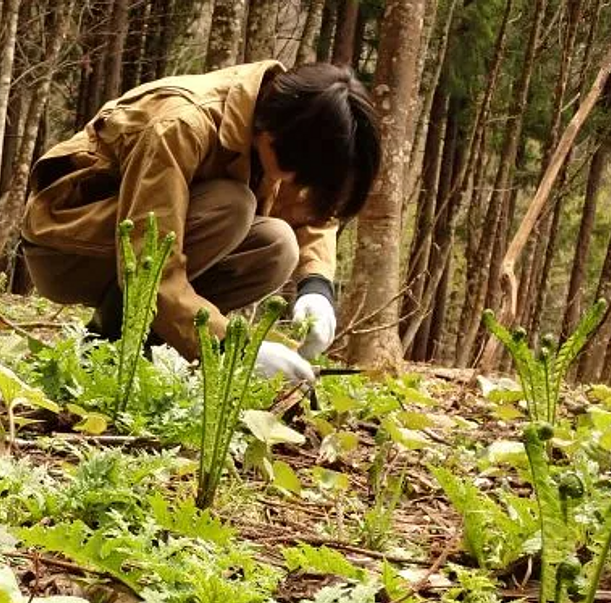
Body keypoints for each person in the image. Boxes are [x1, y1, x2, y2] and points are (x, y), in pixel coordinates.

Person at [21, 60, 381, 384]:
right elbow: (149, 262)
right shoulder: (181, 124)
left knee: (276, 246)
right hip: (64, 249)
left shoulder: (290, 115)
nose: (295, 190)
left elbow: (309, 215)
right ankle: (106, 346)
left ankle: (139, 342)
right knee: (232, 207)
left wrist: (316, 286)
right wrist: (232, 349)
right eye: (299, 179)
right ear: (271, 140)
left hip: (134, 249)